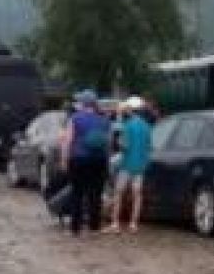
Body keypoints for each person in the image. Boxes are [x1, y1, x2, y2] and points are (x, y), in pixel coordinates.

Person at [59, 89, 111, 237]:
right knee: (95, 195)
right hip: (99, 160)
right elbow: (108, 143)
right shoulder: (104, 119)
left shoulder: (75, 118)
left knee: (77, 194)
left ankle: (75, 229)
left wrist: (64, 159)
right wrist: (107, 161)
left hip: (79, 159)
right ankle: (94, 228)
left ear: (83, 103)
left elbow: (68, 141)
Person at [105, 96, 153, 234]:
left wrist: (118, 142)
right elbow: (149, 146)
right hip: (140, 165)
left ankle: (115, 223)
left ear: (131, 110)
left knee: (118, 193)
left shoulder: (128, 125)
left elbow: (124, 146)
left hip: (126, 165)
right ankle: (133, 224)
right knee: (137, 195)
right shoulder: (147, 126)